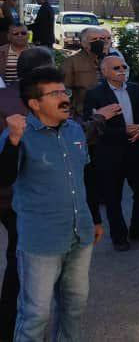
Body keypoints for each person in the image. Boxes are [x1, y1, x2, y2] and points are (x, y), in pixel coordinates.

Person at [0, 68, 107, 341]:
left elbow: (86, 178)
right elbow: (3, 178)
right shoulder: (19, 134)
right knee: (35, 314)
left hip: (79, 235)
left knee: (74, 307)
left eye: (65, 92)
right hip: (41, 241)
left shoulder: (74, 130)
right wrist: (12, 141)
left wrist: (94, 217)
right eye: (56, 93)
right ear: (35, 103)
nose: (65, 98)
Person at [83, 56, 139, 252]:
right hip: (110, 154)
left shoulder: (134, 88)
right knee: (112, 198)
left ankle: (138, 229)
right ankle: (119, 236)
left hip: (136, 150)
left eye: (124, 66)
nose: (122, 70)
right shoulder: (95, 94)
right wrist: (123, 132)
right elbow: (92, 129)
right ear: (104, 72)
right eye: (116, 67)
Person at [62, 27, 110, 117]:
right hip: (84, 114)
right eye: (94, 39)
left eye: (102, 39)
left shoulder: (110, 59)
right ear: (84, 44)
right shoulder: (72, 62)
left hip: (110, 112)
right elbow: (64, 91)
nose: (100, 42)